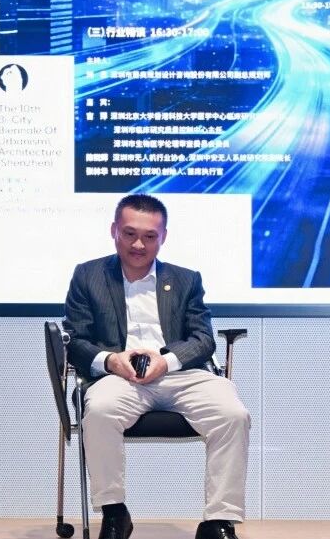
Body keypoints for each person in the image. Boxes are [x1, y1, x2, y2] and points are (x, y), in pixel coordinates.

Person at [63, 194, 250, 539]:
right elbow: (75, 340)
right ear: (114, 231)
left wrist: (167, 361)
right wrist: (111, 360)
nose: (139, 244)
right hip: (119, 377)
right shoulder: (88, 276)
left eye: (150, 236)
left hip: (181, 374)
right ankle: (115, 514)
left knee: (232, 414)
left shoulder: (186, 279)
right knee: (99, 411)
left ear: (163, 237)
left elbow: (202, 338)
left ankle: (218, 521)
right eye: (129, 234)